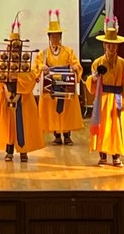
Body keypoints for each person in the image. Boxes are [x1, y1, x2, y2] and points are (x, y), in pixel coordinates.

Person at [85, 17, 124, 167]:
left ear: (117, 46)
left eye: (114, 45)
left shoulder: (123, 64)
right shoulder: (98, 63)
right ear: (104, 45)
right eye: (109, 45)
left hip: (117, 99)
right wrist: (94, 78)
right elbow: (91, 82)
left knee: (117, 127)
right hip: (102, 98)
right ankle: (102, 156)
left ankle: (116, 156)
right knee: (102, 127)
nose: (111, 48)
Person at [0, 13, 44, 162]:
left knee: (23, 125)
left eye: (17, 48)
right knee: (8, 126)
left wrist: (19, 86)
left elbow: (30, 79)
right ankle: (9, 151)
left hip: (23, 99)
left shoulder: (25, 65)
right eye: (12, 48)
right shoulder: (3, 64)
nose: (14, 51)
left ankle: (23, 151)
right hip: (6, 98)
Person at [34, 9, 84, 146]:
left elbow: (76, 64)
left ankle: (67, 135)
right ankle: (56, 134)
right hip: (51, 85)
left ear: (60, 37)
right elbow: (36, 65)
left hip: (65, 83)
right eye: (53, 36)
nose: (55, 38)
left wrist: (74, 68)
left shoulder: (68, 51)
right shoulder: (44, 53)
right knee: (52, 109)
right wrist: (42, 67)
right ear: (49, 37)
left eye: (57, 36)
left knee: (67, 109)